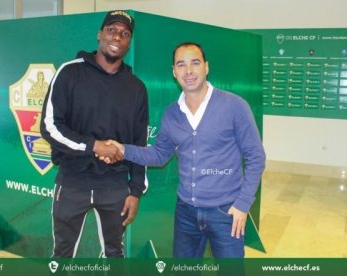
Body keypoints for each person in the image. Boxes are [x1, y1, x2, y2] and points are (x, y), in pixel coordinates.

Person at [101, 42, 266, 258]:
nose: (188, 71)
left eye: (195, 63)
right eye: (181, 65)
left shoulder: (235, 106)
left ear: (206, 67)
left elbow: (256, 157)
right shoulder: (172, 114)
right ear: (174, 72)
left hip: (226, 212)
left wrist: (243, 204)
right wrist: (123, 149)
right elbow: (159, 155)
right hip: (186, 213)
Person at [40, 10, 149, 258]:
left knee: (114, 252)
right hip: (72, 182)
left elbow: (139, 144)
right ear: (99, 34)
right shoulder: (69, 72)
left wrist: (135, 191)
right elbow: (50, 126)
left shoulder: (136, 88)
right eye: (111, 30)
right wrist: (94, 146)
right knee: (62, 252)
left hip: (115, 186)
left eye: (125, 34)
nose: (117, 37)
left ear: (129, 42)